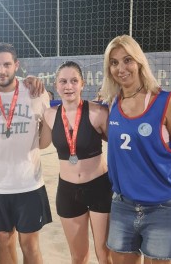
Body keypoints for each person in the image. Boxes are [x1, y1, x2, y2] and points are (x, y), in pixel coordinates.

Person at [100, 35, 171, 264]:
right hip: (123, 204)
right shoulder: (111, 102)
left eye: (127, 60)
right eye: (114, 62)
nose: (121, 68)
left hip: (163, 206)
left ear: (139, 62)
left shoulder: (164, 101)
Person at [0, 42, 52, 264]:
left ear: (17, 65)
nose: (2, 70)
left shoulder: (36, 93)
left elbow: (44, 144)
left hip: (29, 183)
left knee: (30, 244)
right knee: (4, 240)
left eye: (7, 64)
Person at [40, 61, 112, 264]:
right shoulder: (49, 115)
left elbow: (120, 144)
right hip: (68, 191)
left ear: (82, 83)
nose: (68, 86)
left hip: (99, 187)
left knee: (104, 255)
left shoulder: (98, 112)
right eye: (63, 81)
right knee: (78, 257)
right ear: (56, 85)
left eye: (73, 81)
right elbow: (40, 144)